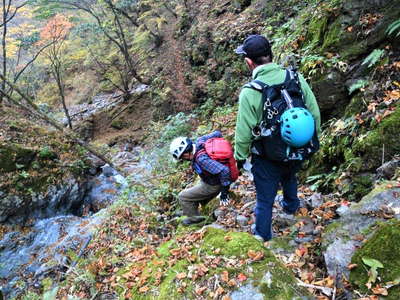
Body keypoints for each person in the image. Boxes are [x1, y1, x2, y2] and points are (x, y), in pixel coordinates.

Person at [234, 34, 321, 241]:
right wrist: (309, 138)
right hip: (297, 146)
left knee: (264, 200)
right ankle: (291, 206)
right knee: (290, 175)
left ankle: (262, 236)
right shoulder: (295, 78)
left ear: (249, 62)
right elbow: (314, 112)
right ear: (271, 55)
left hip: (267, 155)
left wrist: (240, 157)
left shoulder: (250, 92)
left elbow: (243, 133)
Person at [170, 131, 232, 225]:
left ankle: (195, 220)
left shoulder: (202, 160)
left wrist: (224, 192)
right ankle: (189, 210)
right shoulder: (200, 141)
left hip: (214, 184)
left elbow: (224, 171)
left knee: (183, 196)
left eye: (182, 158)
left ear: (186, 153)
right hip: (211, 178)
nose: (183, 160)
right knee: (191, 190)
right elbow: (218, 133)